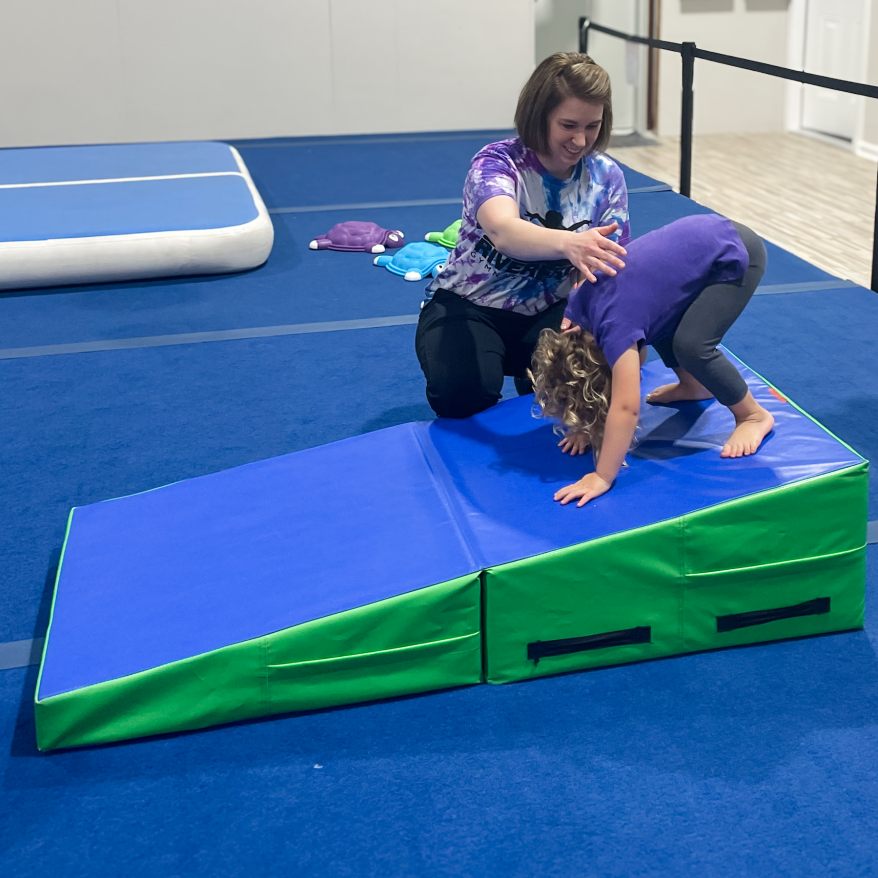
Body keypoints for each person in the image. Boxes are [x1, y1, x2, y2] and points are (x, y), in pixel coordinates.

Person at [415, 52, 630, 419]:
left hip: (548, 311)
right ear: (539, 115)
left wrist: (585, 312)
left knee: (585, 388)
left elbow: (606, 263)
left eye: (592, 126)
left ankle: (536, 376)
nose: (580, 140)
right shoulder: (497, 163)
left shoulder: (606, 177)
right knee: (462, 394)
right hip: (470, 305)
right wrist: (569, 243)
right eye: (568, 125)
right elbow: (503, 231)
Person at [528, 213, 774, 508]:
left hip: (734, 251)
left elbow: (626, 406)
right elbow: (580, 374)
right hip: (701, 241)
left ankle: (753, 415)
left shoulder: (615, 328)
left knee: (693, 345)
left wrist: (603, 476)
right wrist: (583, 427)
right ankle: (694, 386)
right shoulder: (577, 315)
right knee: (656, 320)